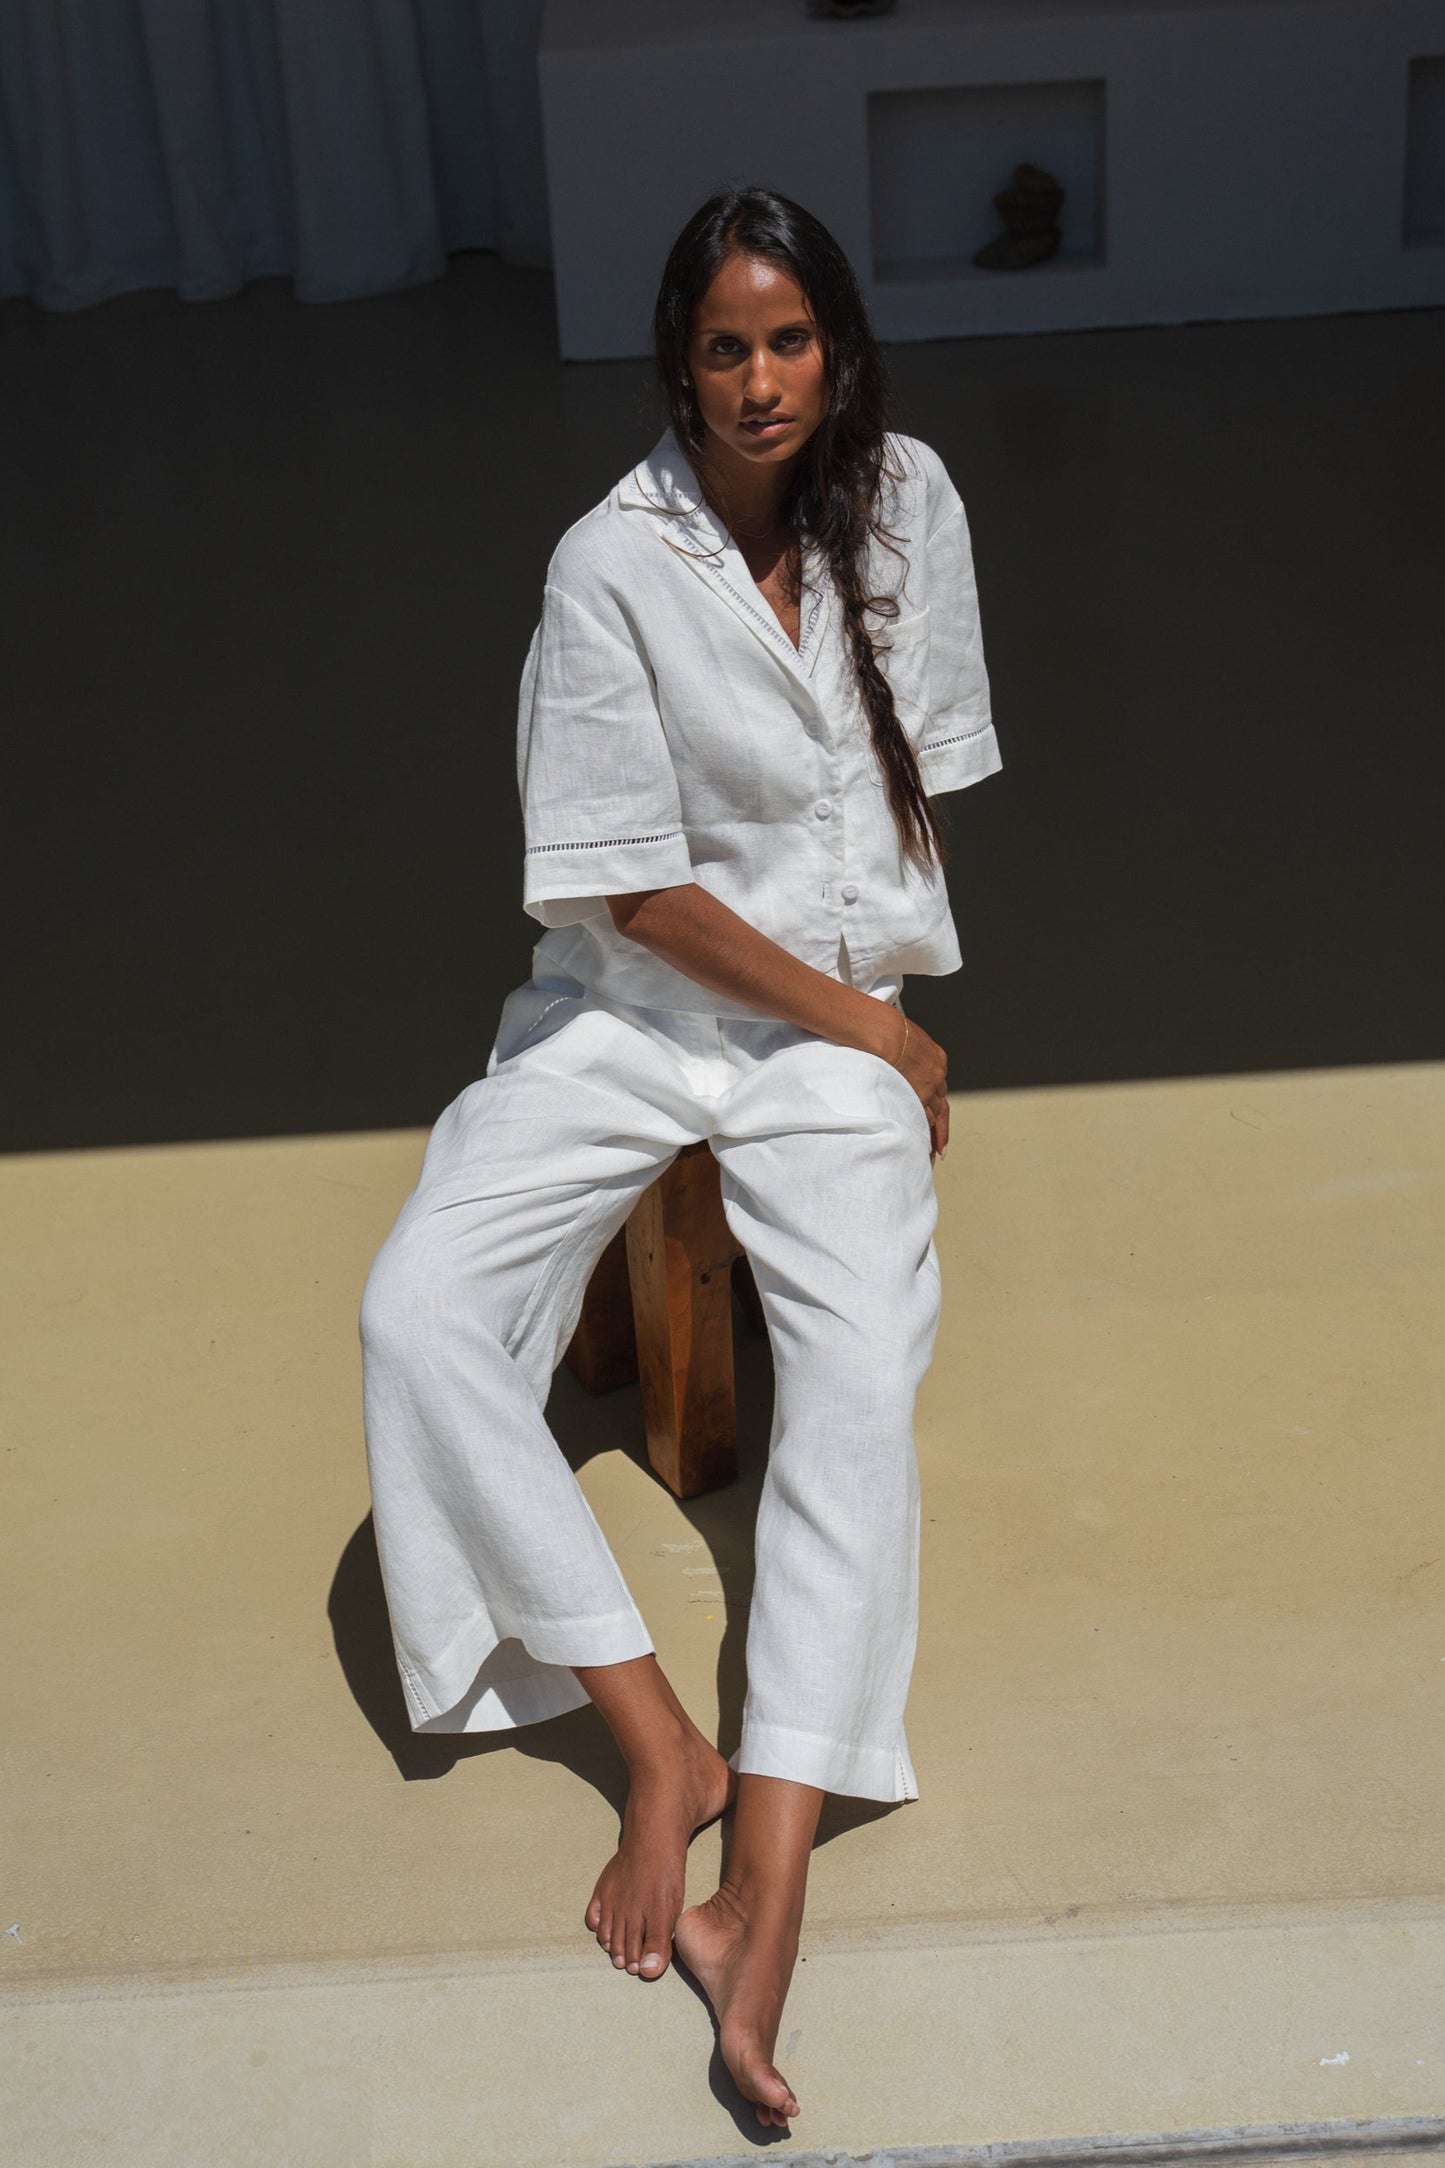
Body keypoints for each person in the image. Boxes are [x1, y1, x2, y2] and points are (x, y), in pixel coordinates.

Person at [359, 182, 1001, 2130]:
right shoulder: (604, 564)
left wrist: (870, 1023)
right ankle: (656, 1744)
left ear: (838, 346)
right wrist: (886, 1031)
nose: (757, 380)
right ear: (679, 363)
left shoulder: (912, 507)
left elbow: (923, 791)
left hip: (826, 1033)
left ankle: (764, 1897)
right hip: (631, 1016)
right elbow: (630, 885)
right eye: (722, 347)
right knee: (419, 1311)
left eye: (789, 339)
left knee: (863, 1388)